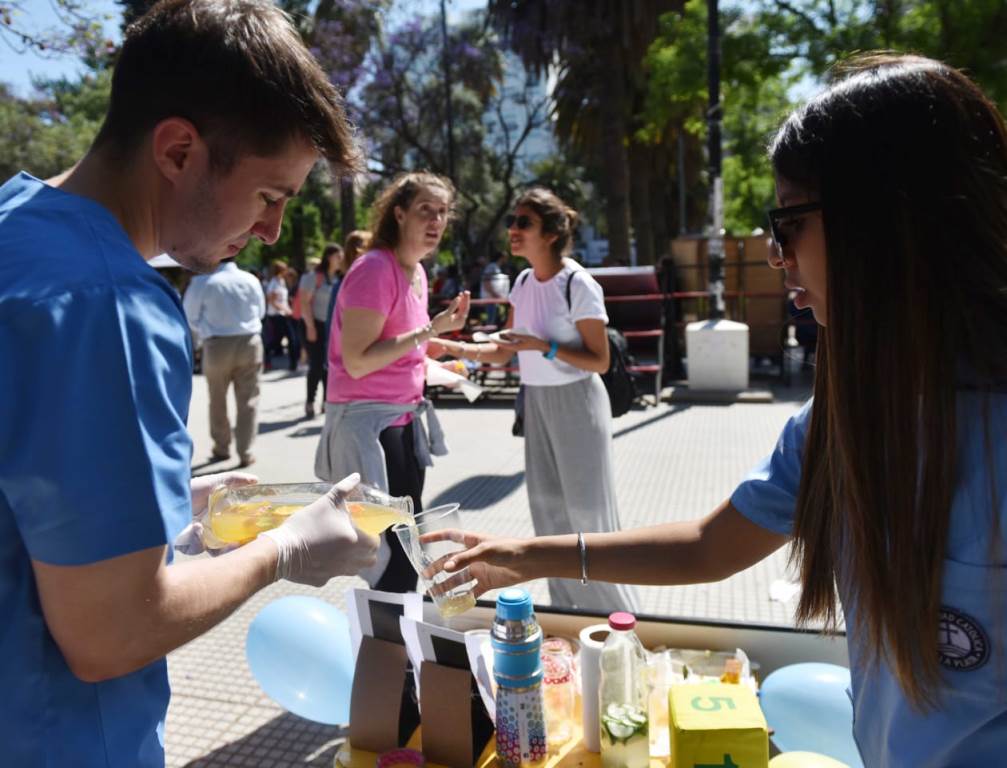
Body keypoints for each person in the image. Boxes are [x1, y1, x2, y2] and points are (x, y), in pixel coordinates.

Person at [427, 54, 1007, 766]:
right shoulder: (840, 421)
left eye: (786, 224)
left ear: (885, 220)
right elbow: (709, 545)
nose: (774, 255)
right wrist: (519, 557)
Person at [0, 2, 380, 765]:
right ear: (178, 150)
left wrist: (163, 507)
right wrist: (282, 550)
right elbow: (111, 633)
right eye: (269, 196)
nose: (273, 230)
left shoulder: (17, 225)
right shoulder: (110, 302)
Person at [433, 187, 637, 613]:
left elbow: (599, 360)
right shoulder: (523, 282)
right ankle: (568, 610)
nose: (513, 229)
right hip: (538, 402)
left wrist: (544, 347)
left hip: (578, 401)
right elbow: (506, 349)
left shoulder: (578, 283)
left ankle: (617, 615)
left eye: (524, 222)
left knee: (588, 515)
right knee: (548, 515)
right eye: (513, 221)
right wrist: (453, 347)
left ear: (551, 233)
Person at [315, 172, 470, 592]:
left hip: (401, 423)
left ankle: (402, 631)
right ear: (398, 214)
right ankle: (389, 633)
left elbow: (400, 349)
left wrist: (452, 354)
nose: (436, 220)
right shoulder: (374, 268)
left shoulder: (415, 271)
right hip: (368, 427)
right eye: (425, 210)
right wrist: (430, 331)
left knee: (406, 554)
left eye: (442, 212)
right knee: (390, 562)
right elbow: (357, 361)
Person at [183, 256, 265, 466]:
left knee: (217, 399)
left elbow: (190, 315)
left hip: (217, 344)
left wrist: (206, 332)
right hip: (249, 342)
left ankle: (221, 447)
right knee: (248, 401)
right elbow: (261, 311)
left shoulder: (202, 282)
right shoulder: (250, 279)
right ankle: (246, 451)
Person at [299, 245, 342, 417]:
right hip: (314, 325)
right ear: (329, 257)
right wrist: (310, 327)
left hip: (332, 326)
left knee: (329, 366)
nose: (341, 260)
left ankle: (326, 401)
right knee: (316, 365)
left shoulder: (339, 278)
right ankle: (310, 401)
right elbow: (304, 303)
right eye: (338, 256)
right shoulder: (313, 277)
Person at [263, 259, 296, 371]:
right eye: (285, 269)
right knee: (276, 341)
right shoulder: (273, 283)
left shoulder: (282, 281)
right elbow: (272, 301)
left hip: (283, 315)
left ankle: (293, 364)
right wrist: (286, 310)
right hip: (277, 316)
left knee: (290, 339)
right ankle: (266, 358)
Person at [480, 249, 512, 326]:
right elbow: (486, 282)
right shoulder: (492, 267)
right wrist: (495, 295)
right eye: (505, 257)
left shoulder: (496, 267)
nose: (506, 259)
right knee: (490, 322)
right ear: (501, 257)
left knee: (494, 320)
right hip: (490, 299)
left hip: (494, 299)